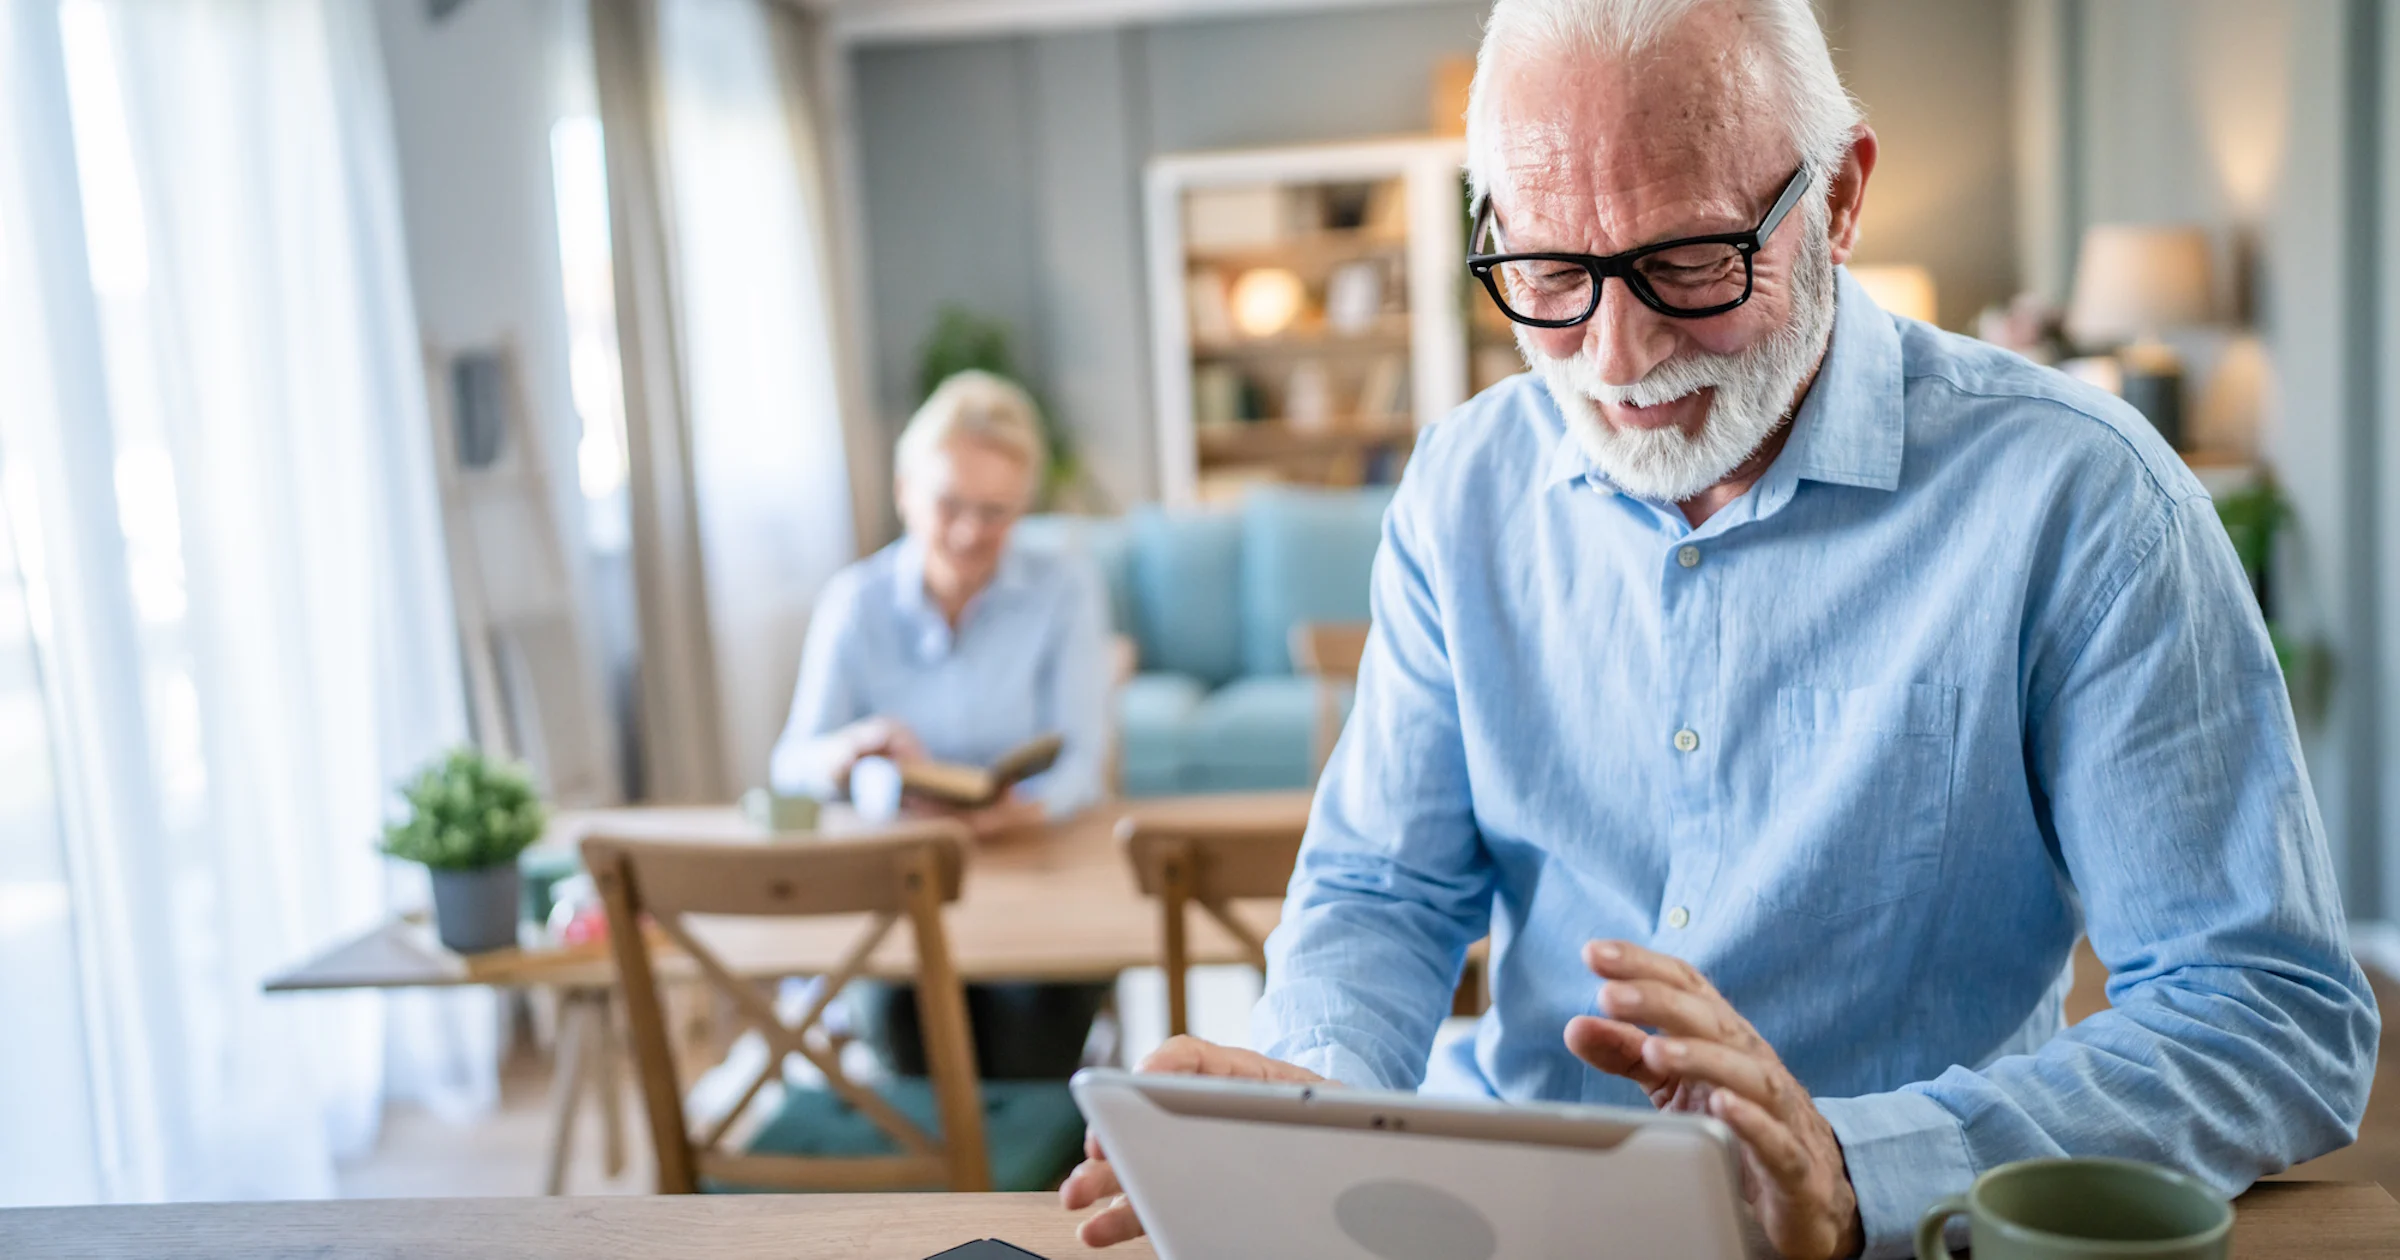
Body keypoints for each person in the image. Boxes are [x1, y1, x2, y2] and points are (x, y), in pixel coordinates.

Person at [1062, 2, 2379, 1257]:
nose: (1619, 356)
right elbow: (1380, 891)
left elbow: (2268, 1017)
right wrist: (1305, 1109)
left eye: (1689, 260)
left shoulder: (2084, 502)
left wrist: (1860, 1170)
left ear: (1843, 195)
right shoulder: (1464, 489)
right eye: (1551, 272)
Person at [772, 369, 1113, 1079]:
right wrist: (853, 756)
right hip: (900, 881)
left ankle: (1020, 1178)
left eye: (996, 511)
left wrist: (1031, 806)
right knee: (905, 1044)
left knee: (1033, 1042)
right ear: (904, 491)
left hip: (1030, 869)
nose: (968, 531)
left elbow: (1084, 756)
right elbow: (791, 765)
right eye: (950, 503)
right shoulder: (854, 603)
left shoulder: (1066, 589)